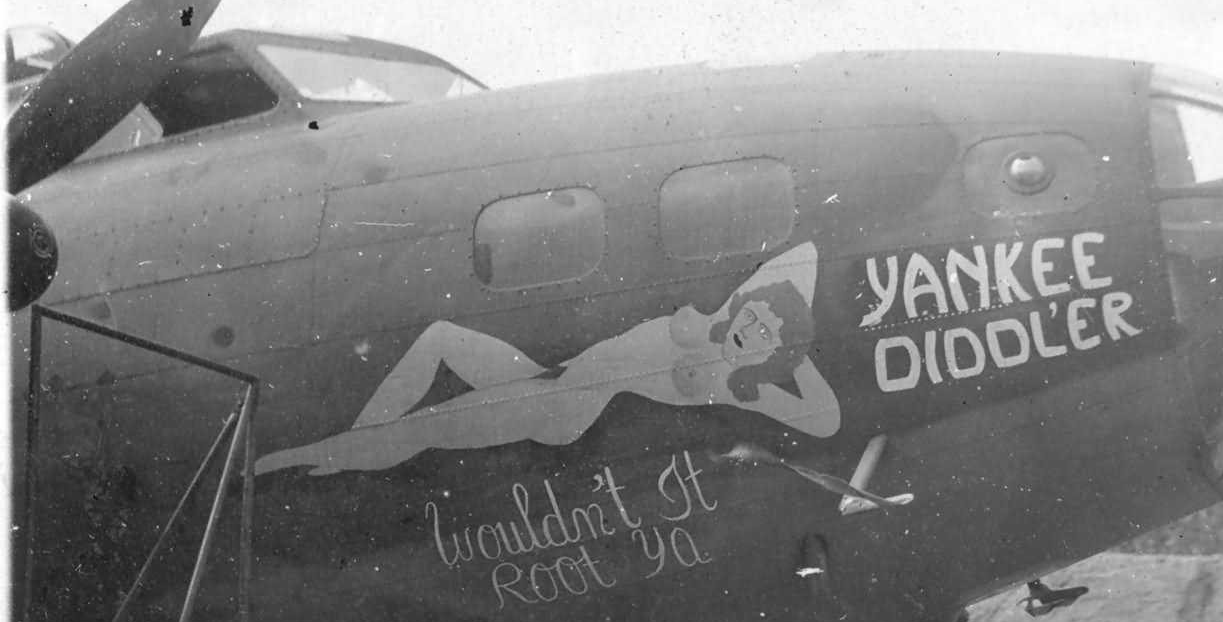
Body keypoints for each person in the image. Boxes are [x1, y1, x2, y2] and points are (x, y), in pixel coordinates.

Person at [255, 242, 840, 476]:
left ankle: (300, 460)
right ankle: (354, 447)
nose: (750, 328)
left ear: (772, 353)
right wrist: (775, 322)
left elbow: (825, 418)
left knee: (423, 431)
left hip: (562, 408)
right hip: (547, 380)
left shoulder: (737, 384)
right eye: (754, 315)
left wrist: (794, 355)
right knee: (438, 339)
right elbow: (795, 259)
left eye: (764, 335)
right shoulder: (712, 322)